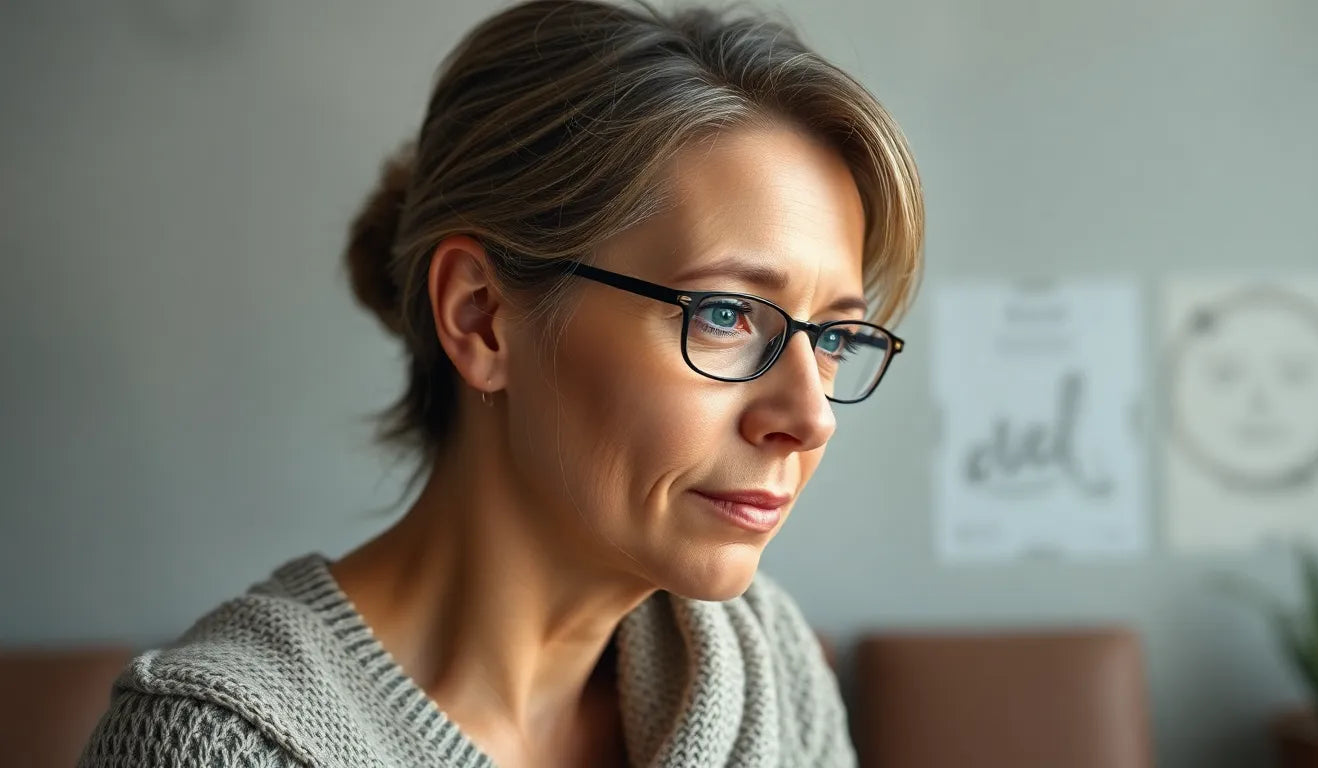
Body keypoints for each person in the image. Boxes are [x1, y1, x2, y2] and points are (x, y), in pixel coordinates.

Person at [79, 0, 923, 765]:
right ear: (482, 317)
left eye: (837, 336)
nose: (810, 418)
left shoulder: (758, 667)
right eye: (728, 316)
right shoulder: (217, 744)